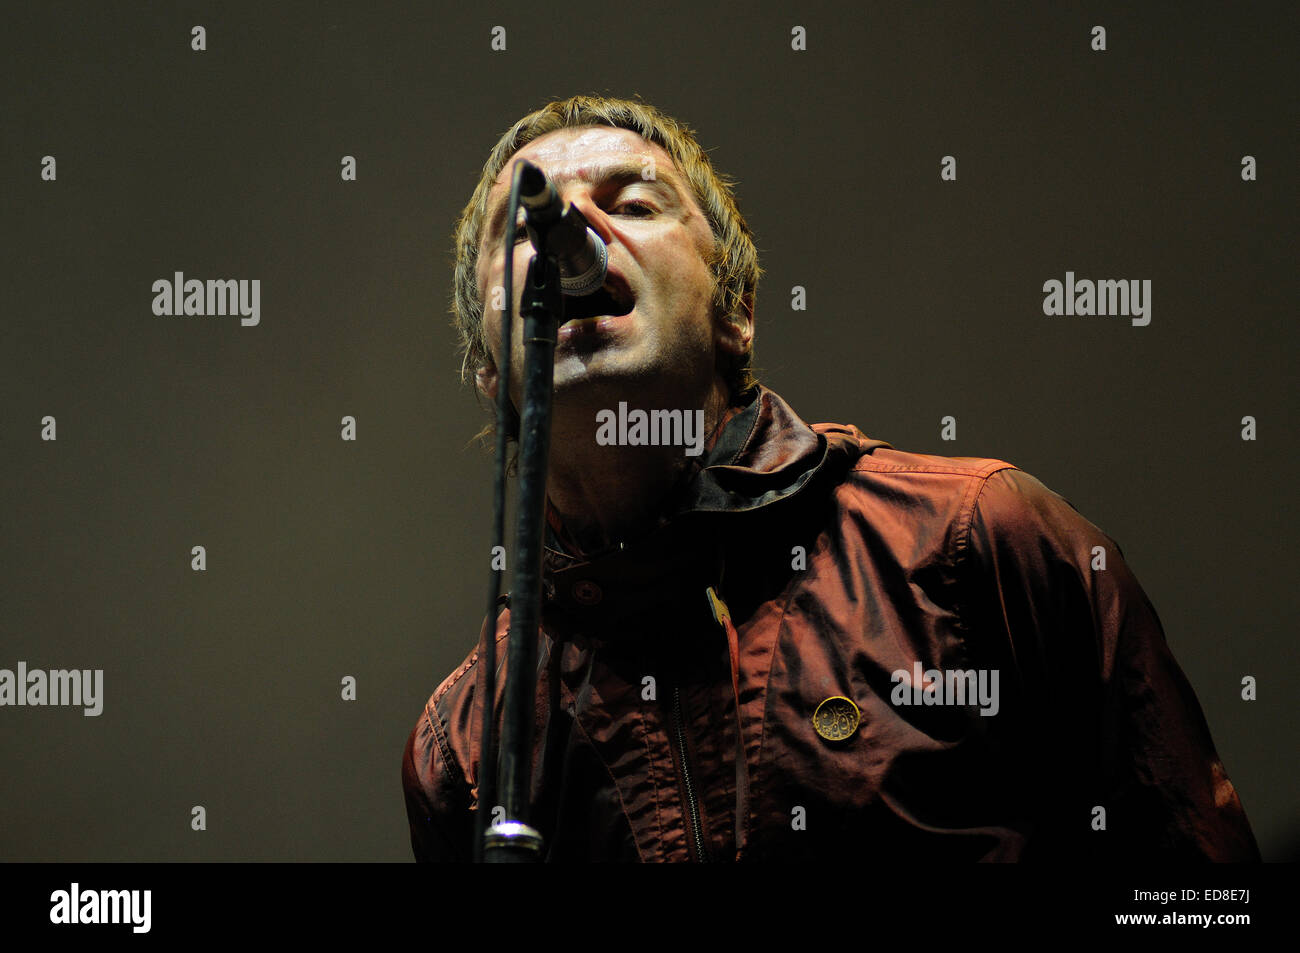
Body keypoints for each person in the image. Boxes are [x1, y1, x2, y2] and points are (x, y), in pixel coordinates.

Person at [402, 95, 1260, 862]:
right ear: (488, 365)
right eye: (525, 230)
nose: (574, 231)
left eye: (631, 203)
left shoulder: (978, 539)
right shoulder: (467, 747)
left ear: (735, 312)